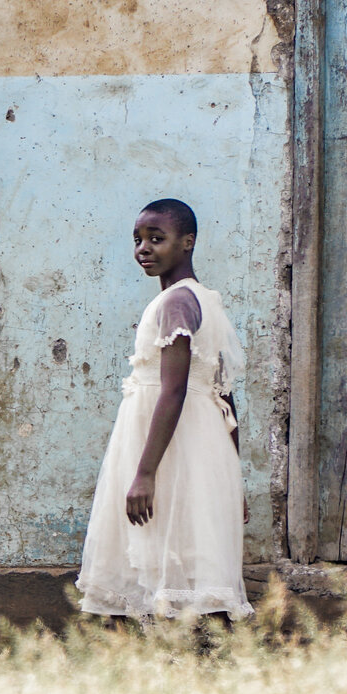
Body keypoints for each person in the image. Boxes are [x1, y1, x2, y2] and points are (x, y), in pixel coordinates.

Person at [77, 199, 251, 620]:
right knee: (190, 543)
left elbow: (173, 391)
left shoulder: (175, 302)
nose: (144, 248)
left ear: (187, 243)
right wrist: (233, 474)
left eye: (158, 239)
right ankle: (193, 650)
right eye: (138, 240)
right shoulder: (206, 299)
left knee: (160, 538)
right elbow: (224, 396)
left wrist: (144, 473)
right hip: (200, 440)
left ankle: (176, 649)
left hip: (166, 442)